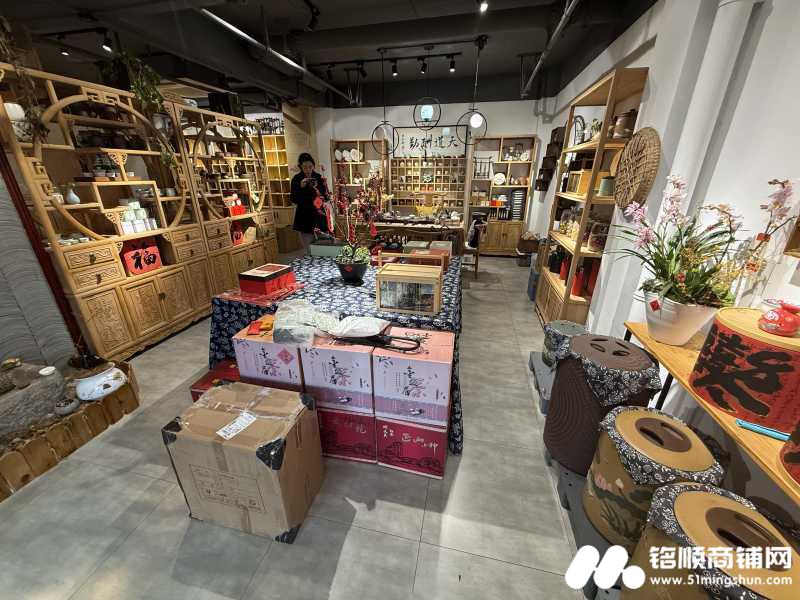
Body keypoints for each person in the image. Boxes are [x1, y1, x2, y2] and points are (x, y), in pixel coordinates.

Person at [290, 153, 330, 251]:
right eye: (305, 167)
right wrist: (301, 187)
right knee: (309, 249)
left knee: (325, 247)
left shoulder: (319, 177)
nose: (308, 170)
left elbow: (326, 196)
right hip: (304, 218)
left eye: (310, 167)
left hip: (319, 216)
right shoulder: (296, 179)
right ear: (300, 167)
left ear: (313, 166)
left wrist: (322, 196)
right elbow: (293, 199)